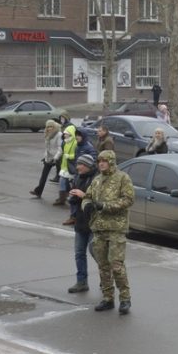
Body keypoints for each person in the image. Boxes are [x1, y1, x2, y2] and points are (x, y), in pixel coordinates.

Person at [75, 150, 135, 313]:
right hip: (99, 228)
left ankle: (125, 298)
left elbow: (128, 199)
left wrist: (105, 206)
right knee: (103, 265)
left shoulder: (123, 178)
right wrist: (86, 204)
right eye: (99, 161)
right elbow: (87, 196)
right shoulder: (96, 180)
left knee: (116, 265)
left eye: (104, 161)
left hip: (116, 228)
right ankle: (108, 298)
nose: (101, 163)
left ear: (111, 162)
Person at [65, 154, 97, 294]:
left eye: (81, 164)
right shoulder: (78, 177)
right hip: (80, 221)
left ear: (88, 165)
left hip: (94, 223)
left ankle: (106, 280)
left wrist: (83, 195)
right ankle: (81, 282)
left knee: (96, 253)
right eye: (78, 164)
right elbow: (75, 200)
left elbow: (99, 202)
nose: (78, 167)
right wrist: (72, 197)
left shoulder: (96, 179)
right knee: (79, 253)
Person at [31, 120, 62, 198]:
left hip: (58, 158)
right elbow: (47, 148)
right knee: (44, 175)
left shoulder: (59, 134)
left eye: (51, 126)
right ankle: (38, 192)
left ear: (54, 127)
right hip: (49, 158)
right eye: (47, 127)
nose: (49, 128)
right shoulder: (47, 134)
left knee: (64, 178)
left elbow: (60, 148)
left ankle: (64, 197)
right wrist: (45, 157)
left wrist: (56, 158)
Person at [56, 124, 78, 210]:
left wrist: (69, 156)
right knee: (62, 181)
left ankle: (70, 198)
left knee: (72, 183)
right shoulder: (65, 142)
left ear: (71, 134)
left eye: (66, 134)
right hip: (64, 167)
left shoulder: (75, 143)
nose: (65, 135)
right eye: (64, 134)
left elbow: (77, 155)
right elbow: (62, 152)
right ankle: (62, 198)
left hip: (72, 167)